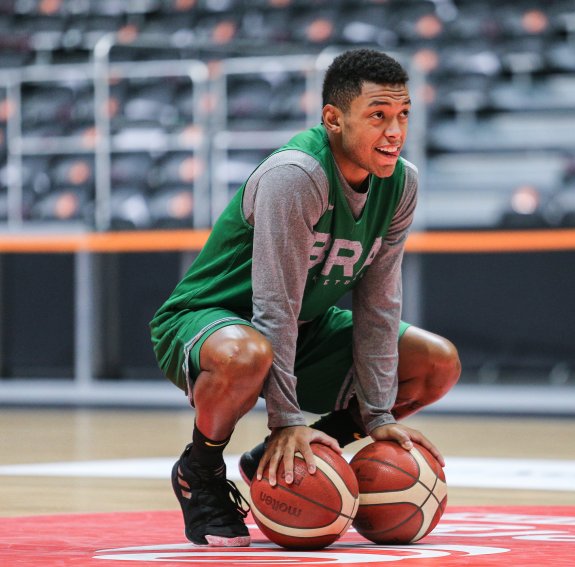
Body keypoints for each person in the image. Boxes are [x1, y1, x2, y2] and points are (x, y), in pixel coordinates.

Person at [149, 48, 461, 547]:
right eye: (377, 116)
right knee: (248, 352)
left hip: (304, 328)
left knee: (435, 363)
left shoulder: (401, 183)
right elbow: (273, 305)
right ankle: (200, 471)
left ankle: (290, 456)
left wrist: (378, 416)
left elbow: (379, 306)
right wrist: (285, 420)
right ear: (333, 120)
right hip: (211, 319)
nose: (395, 131)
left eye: (403, 115)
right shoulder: (297, 174)